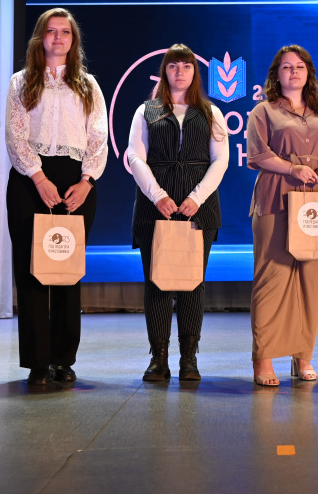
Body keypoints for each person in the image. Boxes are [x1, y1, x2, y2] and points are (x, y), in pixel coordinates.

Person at [6, 8, 108, 389]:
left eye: (65, 32)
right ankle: (37, 361)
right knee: (31, 270)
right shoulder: (21, 82)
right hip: (29, 180)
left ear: (73, 40)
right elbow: (15, 136)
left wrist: (86, 181)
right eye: (51, 31)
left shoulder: (88, 85)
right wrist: (38, 177)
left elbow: (98, 137)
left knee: (66, 271)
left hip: (75, 181)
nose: (58, 38)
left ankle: (63, 359)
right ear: (40, 37)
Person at [127, 44, 228, 382]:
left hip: (199, 210)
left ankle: (189, 358)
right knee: (157, 283)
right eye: (173, 66)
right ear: (164, 71)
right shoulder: (146, 110)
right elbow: (135, 157)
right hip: (154, 208)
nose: (180, 72)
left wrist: (196, 197)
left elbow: (221, 160)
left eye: (186, 66)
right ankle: (158, 358)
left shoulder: (211, 112)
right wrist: (158, 196)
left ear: (194, 72)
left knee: (192, 285)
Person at [247, 46, 318, 386]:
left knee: (311, 279)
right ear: (276, 75)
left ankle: (303, 355)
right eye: (286, 67)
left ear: (308, 73)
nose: (293, 71)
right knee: (272, 278)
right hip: (277, 196)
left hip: (316, 198)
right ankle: (263, 358)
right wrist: (293, 168)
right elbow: (257, 154)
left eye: (299, 66)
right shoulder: (263, 111)